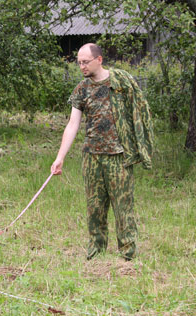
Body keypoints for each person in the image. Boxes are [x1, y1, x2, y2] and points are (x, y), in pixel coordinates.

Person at [51, 43, 154, 261]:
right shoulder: (81, 89)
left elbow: (140, 111)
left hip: (119, 156)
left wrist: (140, 147)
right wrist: (60, 158)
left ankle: (128, 254)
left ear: (99, 59)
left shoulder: (121, 82)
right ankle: (96, 251)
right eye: (78, 62)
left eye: (85, 62)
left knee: (123, 207)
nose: (81, 66)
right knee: (95, 208)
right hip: (92, 157)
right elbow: (72, 124)